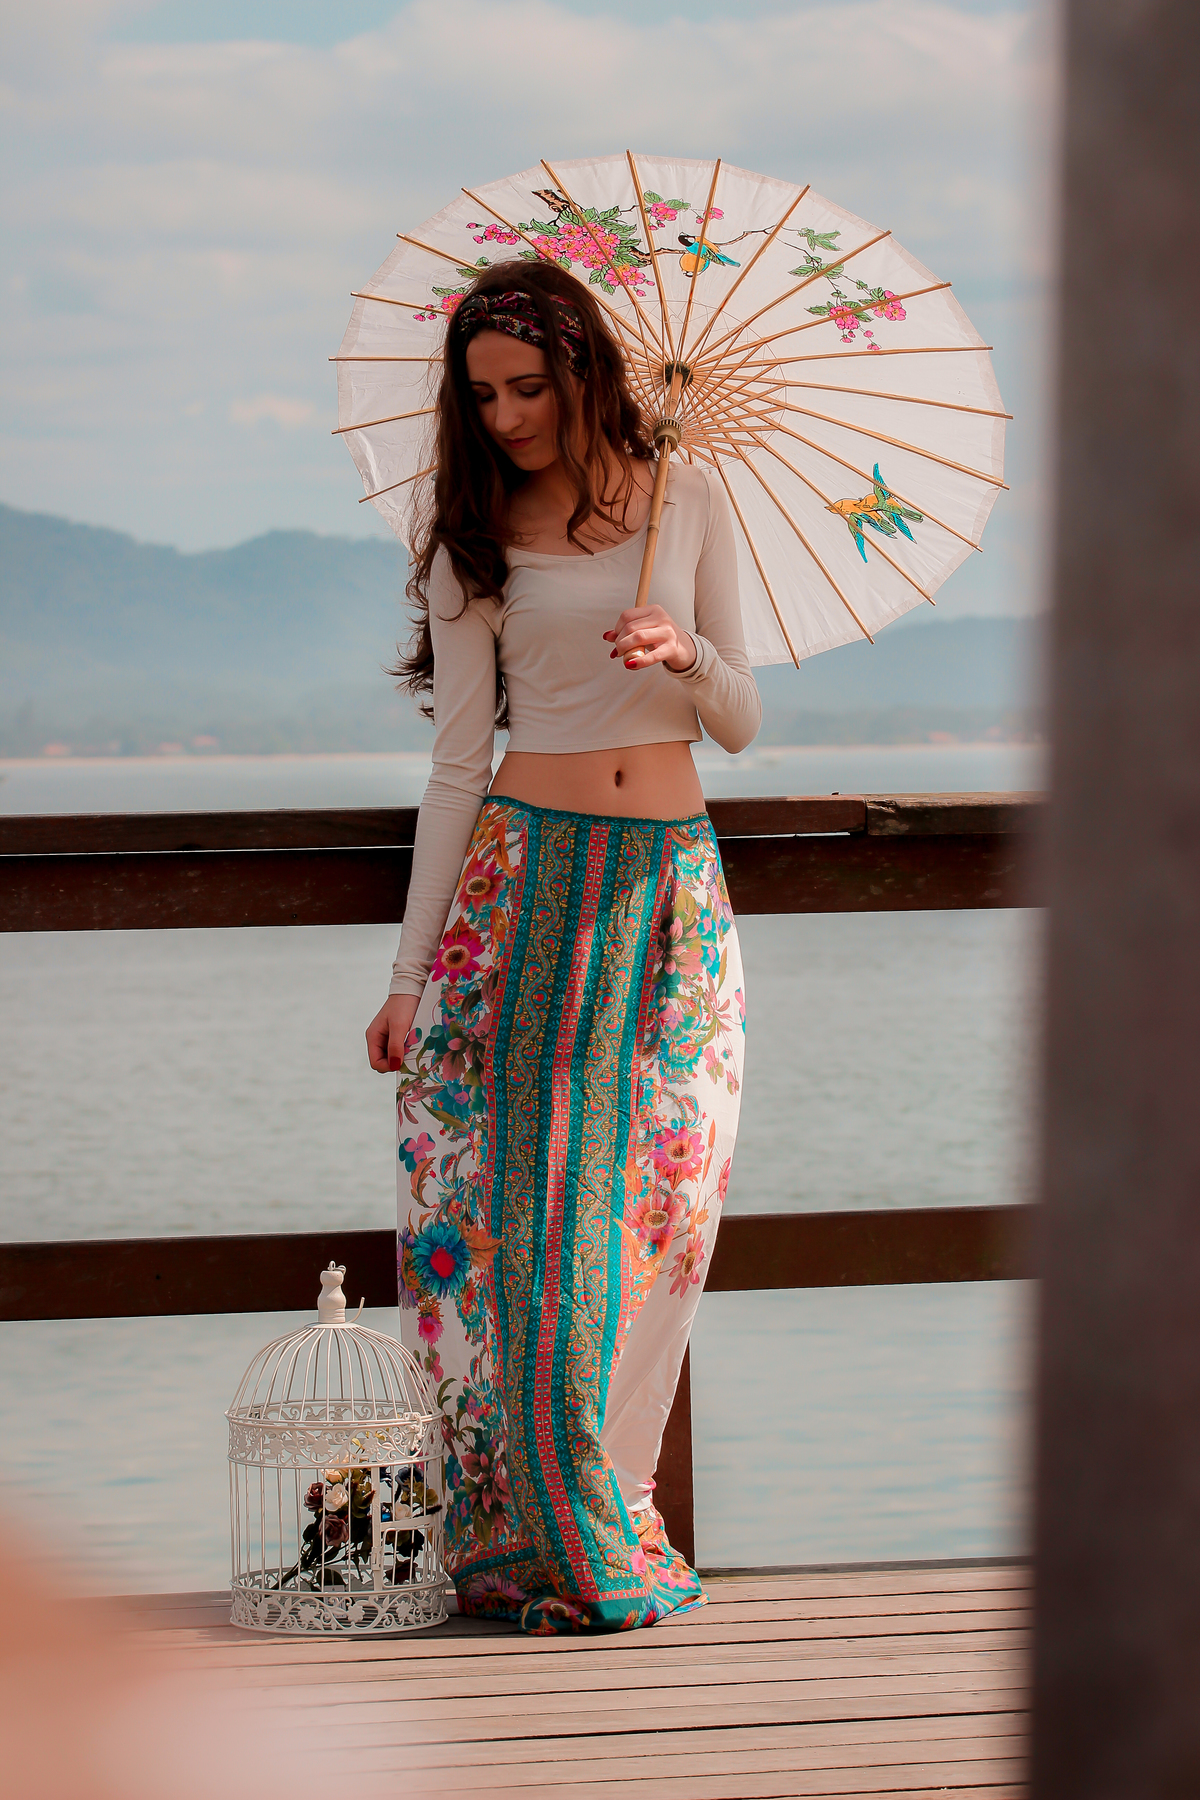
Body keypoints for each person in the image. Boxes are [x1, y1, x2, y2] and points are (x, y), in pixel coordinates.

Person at [364, 259, 761, 1635]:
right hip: (525, 892)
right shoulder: (470, 538)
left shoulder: (689, 496)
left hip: (670, 895)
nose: (508, 417)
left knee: (663, 1200)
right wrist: (408, 977)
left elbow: (742, 721)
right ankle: (532, 1533)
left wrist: (682, 652)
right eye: (482, 395)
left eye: (529, 387)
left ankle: (610, 1500)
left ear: (584, 372)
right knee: (528, 1218)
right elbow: (457, 766)